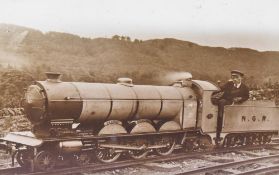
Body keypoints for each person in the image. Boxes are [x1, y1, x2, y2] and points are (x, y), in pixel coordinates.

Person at [215, 70, 249, 143]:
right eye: (233, 77)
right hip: (226, 101)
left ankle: (220, 116)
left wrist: (240, 99)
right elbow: (220, 89)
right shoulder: (229, 84)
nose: (234, 79)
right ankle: (219, 115)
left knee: (222, 102)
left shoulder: (245, 88)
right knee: (218, 101)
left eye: (236, 77)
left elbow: (246, 97)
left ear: (241, 78)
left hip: (234, 104)